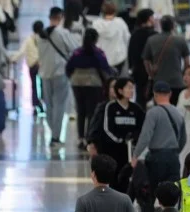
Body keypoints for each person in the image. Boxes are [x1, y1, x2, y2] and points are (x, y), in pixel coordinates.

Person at [133, 83, 186, 212]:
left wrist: (135, 155)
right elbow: (183, 139)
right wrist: (174, 151)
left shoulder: (153, 113)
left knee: (149, 196)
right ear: (170, 94)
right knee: (172, 195)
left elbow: (145, 136)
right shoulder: (178, 112)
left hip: (156, 158)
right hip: (174, 158)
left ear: (155, 95)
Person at [87, 78, 144, 191]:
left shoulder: (136, 109)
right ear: (120, 90)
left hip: (129, 152)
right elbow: (107, 128)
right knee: (114, 179)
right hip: (113, 151)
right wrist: (120, 140)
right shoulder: (110, 107)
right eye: (128, 88)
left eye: (132, 88)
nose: (131, 91)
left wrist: (134, 139)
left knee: (127, 180)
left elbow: (142, 128)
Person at [66, 28, 114, 149]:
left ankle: (80, 138)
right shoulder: (98, 53)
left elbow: (69, 67)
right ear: (96, 39)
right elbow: (106, 68)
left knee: (80, 111)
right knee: (91, 112)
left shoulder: (77, 52)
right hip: (93, 83)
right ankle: (89, 137)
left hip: (77, 82)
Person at [34, 8, 77, 142]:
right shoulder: (62, 33)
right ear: (61, 17)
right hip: (60, 72)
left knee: (49, 105)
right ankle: (55, 136)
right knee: (59, 104)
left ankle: (53, 131)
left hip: (44, 73)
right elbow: (74, 49)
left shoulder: (40, 35)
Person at [142, 16, 190, 104]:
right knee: (176, 110)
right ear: (173, 26)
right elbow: (187, 61)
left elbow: (146, 60)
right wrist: (183, 74)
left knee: (160, 110)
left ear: (161, 25)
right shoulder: (180, 40)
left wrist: (151, 73)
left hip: (159, 82)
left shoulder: (151, 40)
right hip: (177, 82)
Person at [90, 1, 130, 74]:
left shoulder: (96, 24)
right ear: (115, 10)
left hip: (100, 59)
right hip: (118, 58)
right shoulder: (120, 22)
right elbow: (127, 39)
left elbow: (92, 41)